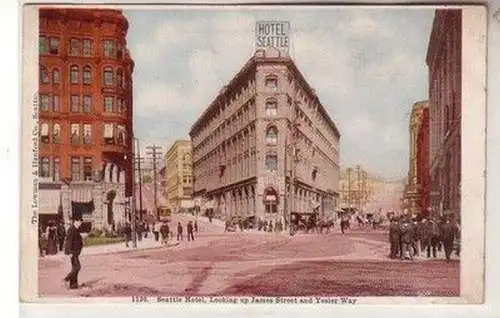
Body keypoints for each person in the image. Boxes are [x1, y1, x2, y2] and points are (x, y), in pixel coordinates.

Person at [64, 217, 83, 289]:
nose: (80, 224)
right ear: (76, 221)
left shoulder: (75, 229)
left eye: (81, 223)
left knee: (75, 268)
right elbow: (68, 241)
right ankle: (67, 278)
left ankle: (73, 285)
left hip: (75, 252)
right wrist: (69, 252)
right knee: (77, 267)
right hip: (73, 252)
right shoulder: (72, 229)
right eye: (79, 222)